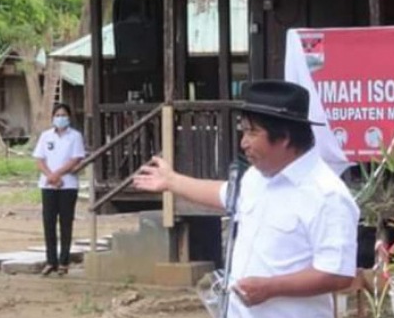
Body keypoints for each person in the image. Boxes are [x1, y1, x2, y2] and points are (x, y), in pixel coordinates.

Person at [134, 80, 358, 318]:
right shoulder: (257, 176)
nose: (244, 143)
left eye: (252, 132)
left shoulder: (327, 195)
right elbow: (224, 194)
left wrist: (272, 288)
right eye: (244, 131)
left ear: (284, 137)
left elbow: (337, 274)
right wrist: (172, 181)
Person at [32, 103, 85, 276]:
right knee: (48, 222)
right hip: (48, 185)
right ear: (53, 117)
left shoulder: (75, 136)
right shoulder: (46, 136)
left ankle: (64, 261)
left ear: (69, 117)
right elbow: (39, 159)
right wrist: (50, 176)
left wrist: (58, 174)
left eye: (64, 115)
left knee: (66, 222)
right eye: (58, 115)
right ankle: (50, 261)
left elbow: (75, 159)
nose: (60, 118)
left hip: (67, 184)